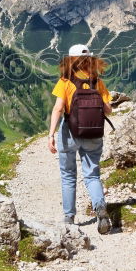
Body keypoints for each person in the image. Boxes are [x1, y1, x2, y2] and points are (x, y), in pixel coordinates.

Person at [48, 43, 113, 234]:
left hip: (70, 132)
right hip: (93, 133)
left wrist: (51, 134)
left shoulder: (65, 81)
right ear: (90, 59)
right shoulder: (97, 81)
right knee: (92, 175)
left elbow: (59, 108)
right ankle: (100, 209)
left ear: (70, 60)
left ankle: (69, 219)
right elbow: (108, 109)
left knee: (68, 175)